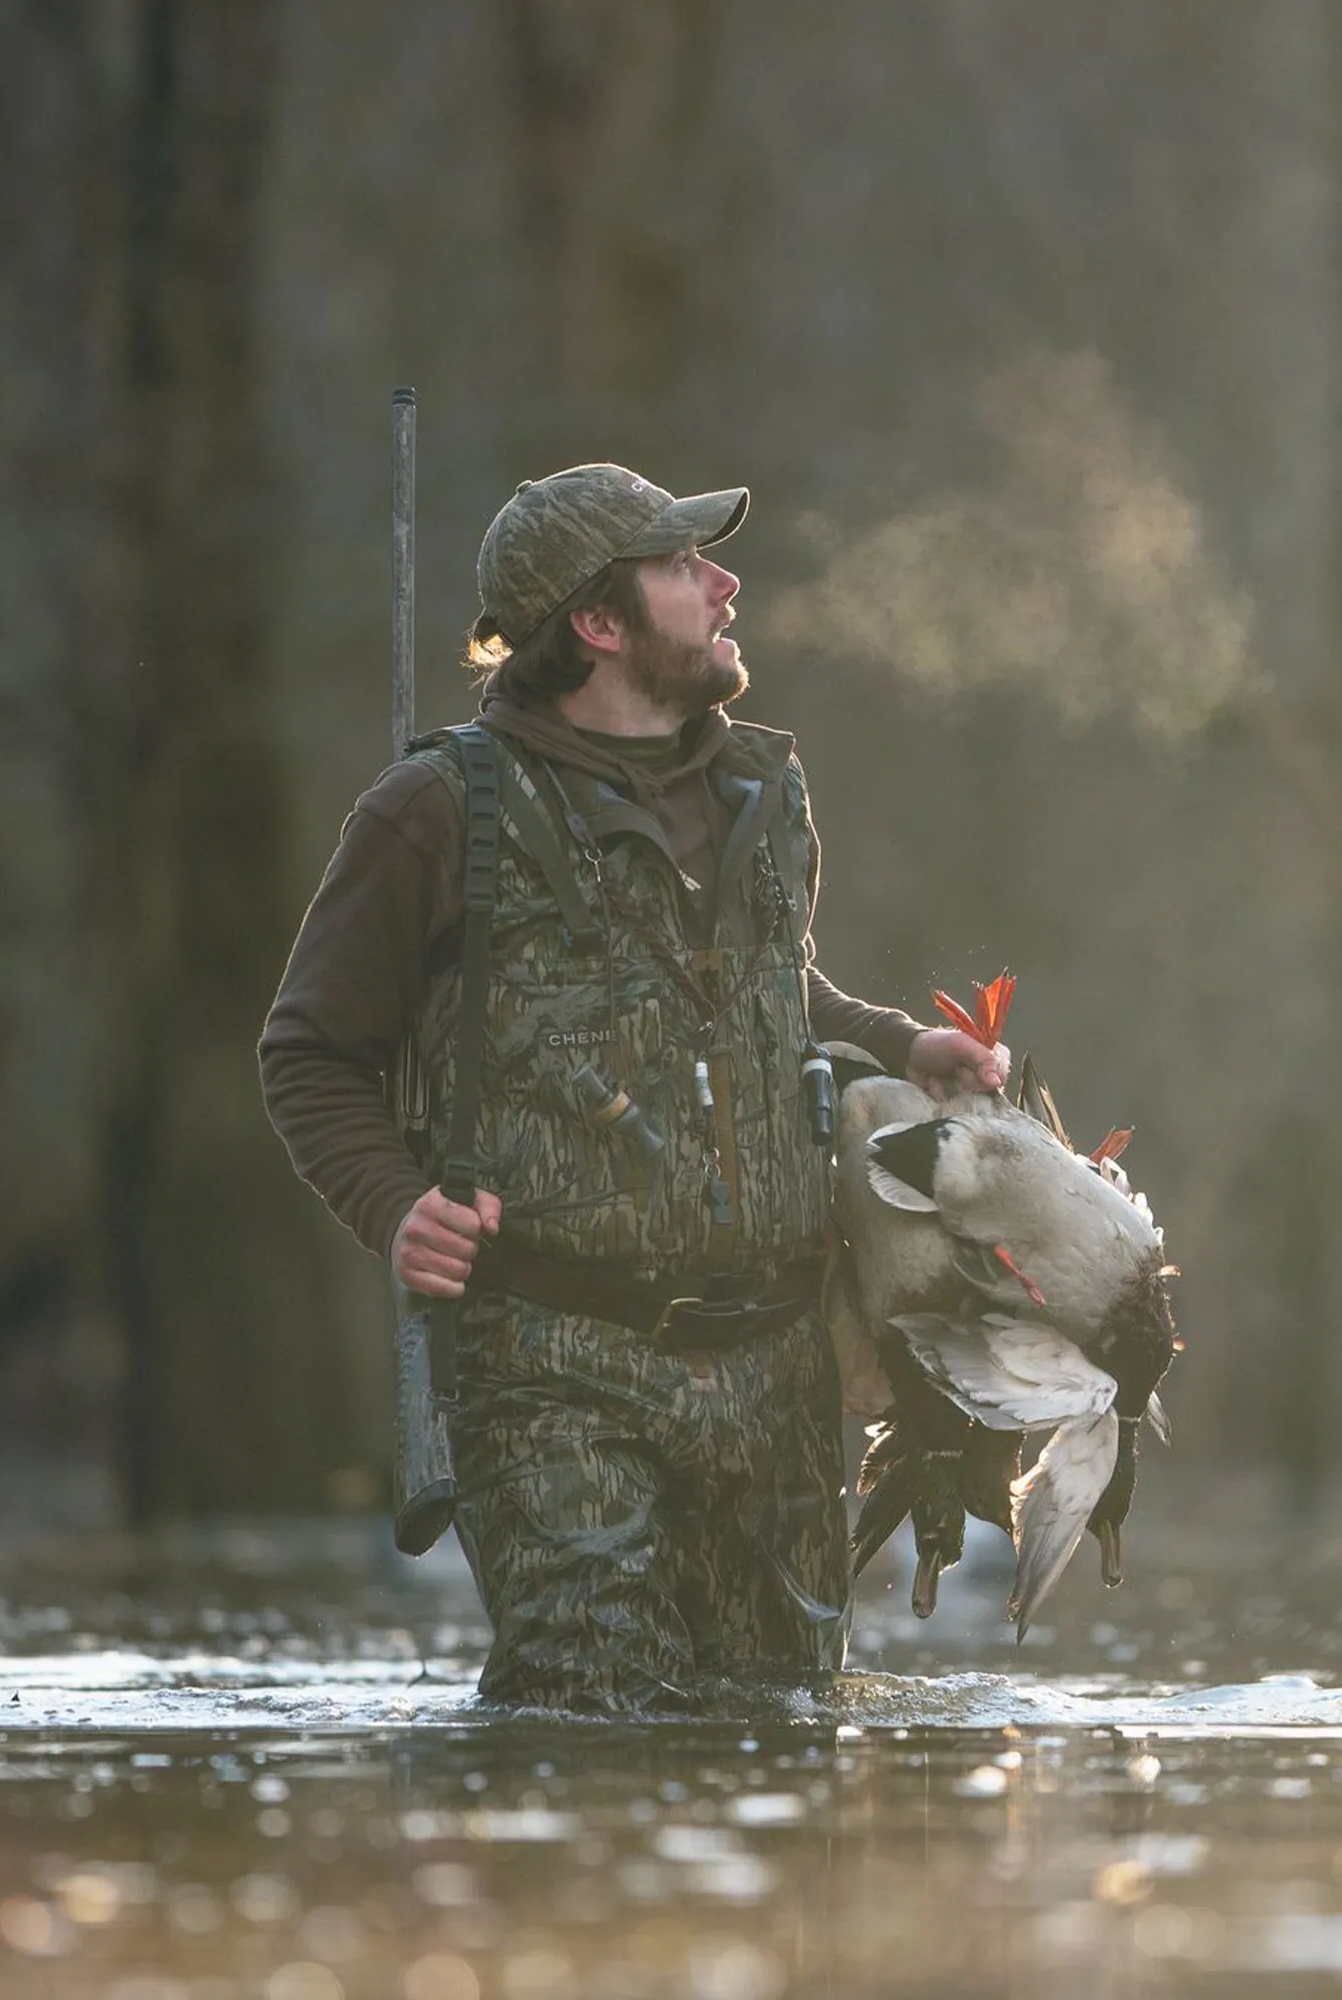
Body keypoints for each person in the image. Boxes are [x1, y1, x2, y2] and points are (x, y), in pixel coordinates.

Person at [260, 462, 1005, 1712]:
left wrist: (893, 1040)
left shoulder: (767, 787)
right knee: (589, 1721)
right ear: (597, 624)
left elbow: (764, 990)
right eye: (681, 567)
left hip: (777, 1364)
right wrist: (393, 1205)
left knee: (780, 1731)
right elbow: (310, 1052)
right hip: (554, 1362)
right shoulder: (436, 811)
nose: (724, 584)